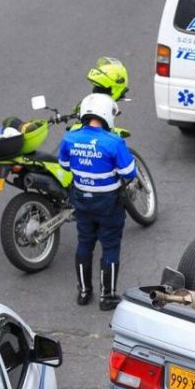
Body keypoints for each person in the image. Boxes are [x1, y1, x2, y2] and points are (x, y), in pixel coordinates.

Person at [58, 93, 136, 310]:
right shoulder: (114, 142)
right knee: (110, 246)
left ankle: (83, 292)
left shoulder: (70, 138)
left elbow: (64, 165)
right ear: (105, 115)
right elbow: (129, 172)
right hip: (109, 203)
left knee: (84, 243)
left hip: (82, 201)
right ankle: (107, 297)